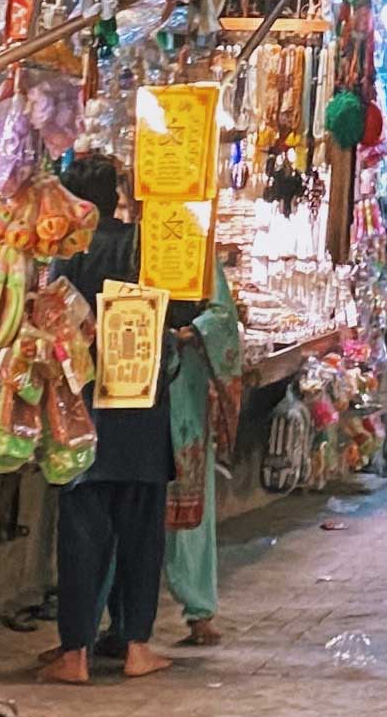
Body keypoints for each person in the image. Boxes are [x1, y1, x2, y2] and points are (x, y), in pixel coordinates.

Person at [39, 147, 176, 685]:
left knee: (80, 535)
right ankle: (137, 646)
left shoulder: (67, 254)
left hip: (84, 409)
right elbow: (185, 308)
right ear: (115, 196)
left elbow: (49, 320)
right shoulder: (148, 246)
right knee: (141, 534)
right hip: (141, 410)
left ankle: (74, 654)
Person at [163, 235, 248, 647]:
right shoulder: (132, 245)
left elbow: (220, 317)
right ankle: (120, 623)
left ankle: (199, 610)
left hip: (183, 388)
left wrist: (188, 333)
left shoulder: (194, 247)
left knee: (190, 494)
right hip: (135, 383)